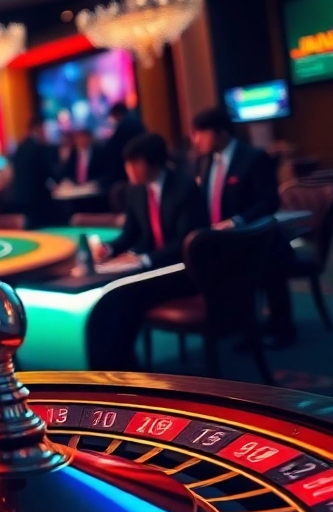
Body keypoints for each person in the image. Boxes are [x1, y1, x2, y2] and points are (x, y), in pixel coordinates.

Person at [191, 107, 295, 346]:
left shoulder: (254, 158)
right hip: (219, 240)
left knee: (267, 262)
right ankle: (235, 326)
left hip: (255, 237)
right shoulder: (204, 161)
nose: (196, 140)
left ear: (221, 133)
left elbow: (269, 202)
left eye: (201, 133)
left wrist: (237, 221)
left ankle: (281, 329)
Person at [94, 133, 207, 269]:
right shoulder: (135, 190)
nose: (130, 169)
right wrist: (108, 248)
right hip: (151, 263)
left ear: (154, 163)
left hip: (183, 265)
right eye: (128, 163)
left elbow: (183, 241)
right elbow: (130, 233)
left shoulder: (184, 188)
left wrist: (144, 259)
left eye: (136, 163)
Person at [8, 117, 59, 228]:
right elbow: (47, 172)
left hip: (21, 198)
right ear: (37, 128)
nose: (45, 132)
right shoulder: (38, 147)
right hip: (37, 200)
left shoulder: (21, 147)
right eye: (44, 128)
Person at [102, 102, 145, 184]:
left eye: (113, 117)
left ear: (116, 114)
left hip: (128, 169)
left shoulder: (124, 125)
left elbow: (113, 146)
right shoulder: (135, 120)